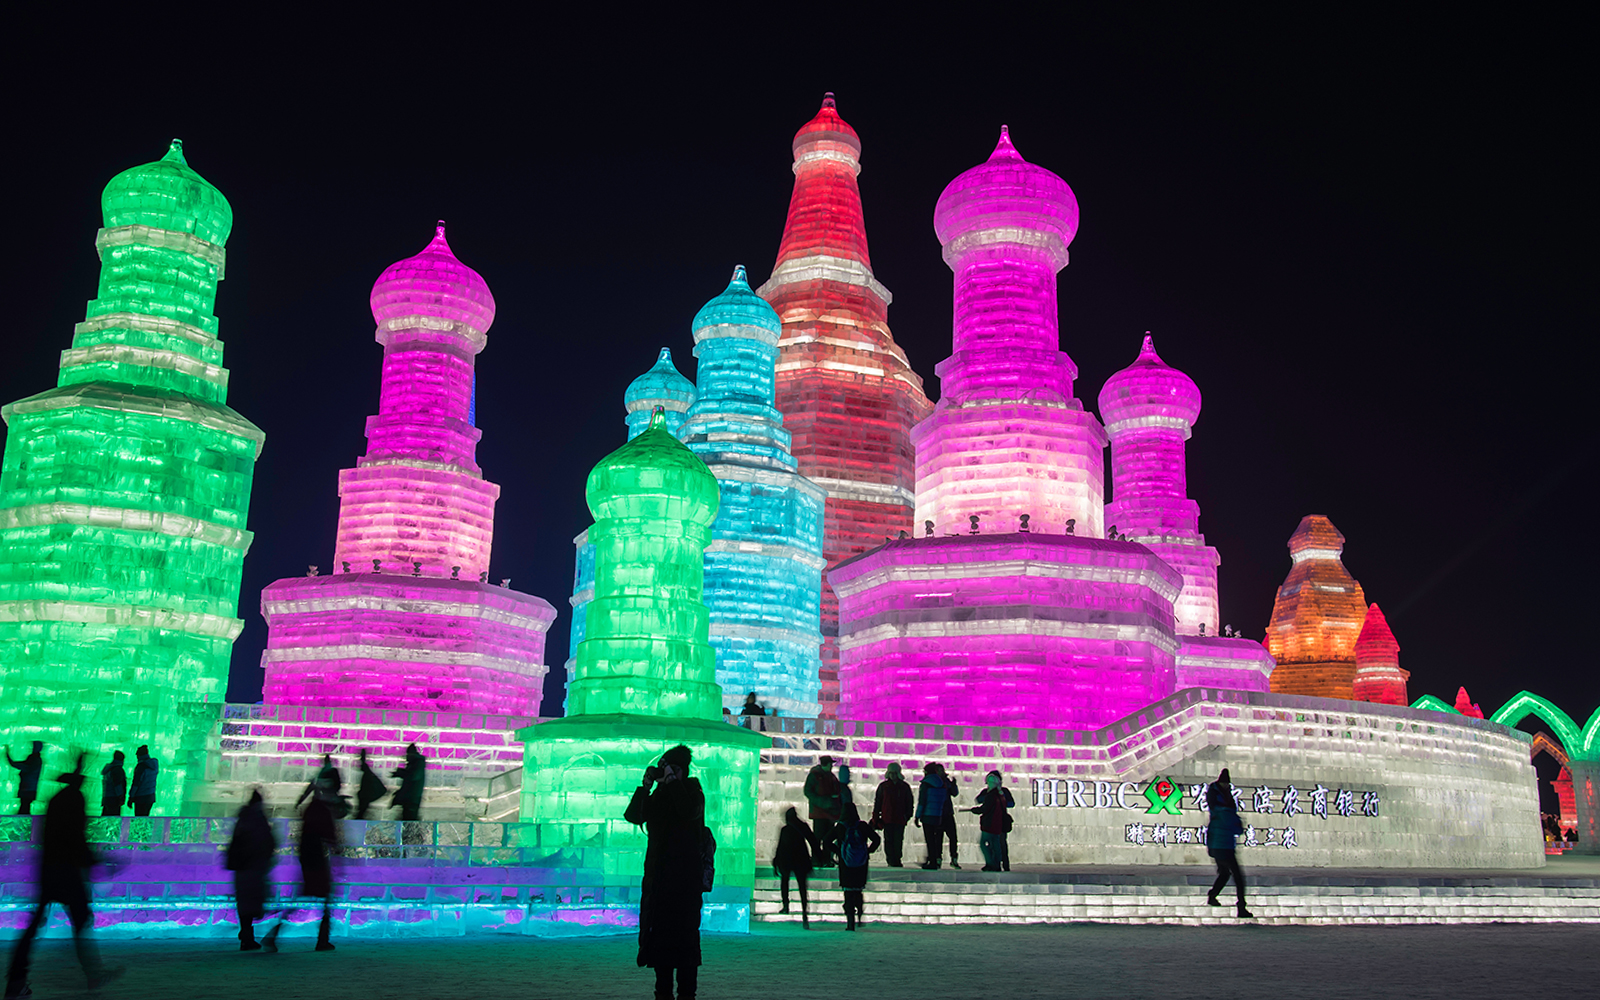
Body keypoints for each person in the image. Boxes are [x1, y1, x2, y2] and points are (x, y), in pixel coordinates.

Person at [5, 756, 121, 997]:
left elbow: (55, 836)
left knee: (35, 926)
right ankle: (93, 974)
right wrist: (98, 862)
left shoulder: (57, 800)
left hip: (50, 870)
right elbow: (76, 838)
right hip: (67, 873)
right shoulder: (75, 799)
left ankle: (16, 979)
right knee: (80, 923)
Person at [624, 745, 707, 1000]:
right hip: (659, 881)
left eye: (675, 768)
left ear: (684, 770)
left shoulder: (693, 791)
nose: (669, 773)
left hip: (684, 883)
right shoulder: (659, 795)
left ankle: (686, 995)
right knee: (660, 951)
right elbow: (633, 816)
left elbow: (688, 812)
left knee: (684, 949)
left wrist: (673, 782)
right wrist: (645, 786)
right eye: (667, 768)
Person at [262, 784, 339, 952]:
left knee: (302, 899)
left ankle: (274, 934)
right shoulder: (321, 810)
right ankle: (322, 939)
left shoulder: (311, 809)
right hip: (317, 860)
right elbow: (331, 837)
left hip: (308, 860)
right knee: (325, 900)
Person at [225, 789, 278, 950]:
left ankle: (246, 935)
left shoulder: (243, 818)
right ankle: (247, 936)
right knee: (252, 901)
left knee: (245, 902)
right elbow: (267, 842)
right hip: (254, 866)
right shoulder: (257, 819)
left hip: (243, 867)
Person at [1205, 768, 1252, 918]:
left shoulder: (1217, 810)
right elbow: (1237, 828)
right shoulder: (1226, 811)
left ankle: (1213, 895)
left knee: (1225, 873)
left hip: (1217, 845)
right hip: (1225, 846)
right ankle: (1241, 907)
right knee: (1238, 877)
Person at [829, 803, 881, 931]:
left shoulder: (840, 827)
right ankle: (859, 915)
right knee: (858, 890)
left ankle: (850, 923)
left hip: (846, 864)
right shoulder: (862, 826)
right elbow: (877, 839)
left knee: (848, 892)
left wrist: (838, 852)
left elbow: (826, 841)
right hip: (861, 864)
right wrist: (868, 851)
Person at [771, 806, 819, 928]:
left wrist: (776, 862)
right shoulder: (802, 827)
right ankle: (804, 913)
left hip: (788, 861)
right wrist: (817, 857)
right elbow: (813, 841)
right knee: (802, 887)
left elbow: (780, 846)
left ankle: (786, 905)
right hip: (800, 860)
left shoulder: (786, 829)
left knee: (785, 882)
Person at [915, 761, 960, 869]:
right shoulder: (942, 784)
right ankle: (936, 859)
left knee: (933, 839)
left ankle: (934, 861)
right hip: (939, 814)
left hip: (931, 814)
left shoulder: (927, 784)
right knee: (938, 838)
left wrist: (917, 816)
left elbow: (922, 801)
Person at [870, 762, 915, 867]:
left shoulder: (904, 787)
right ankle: (890, 860)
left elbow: (909, 802)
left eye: (894, 773)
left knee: (898, 840)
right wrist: (876, 818)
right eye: (891, 773)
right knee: (889, 840)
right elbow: (878, 803)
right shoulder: (884, 786)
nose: (892, 775)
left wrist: (907, 815)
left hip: (899, 819)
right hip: (888, 819)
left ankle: (897, 859)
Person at [803, 755, 842, 867]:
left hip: (830, 813)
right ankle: (817, 859)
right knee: (818, 837)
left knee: (828, 838)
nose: (831, 766)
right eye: (830, 764)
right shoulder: (815, 776)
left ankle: (826, 859)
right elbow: (808, 792)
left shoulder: (831, 777)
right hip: (819, 813)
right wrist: (823, 801)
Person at [971, 769, 1014, 872]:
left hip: (993, 823)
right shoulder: (998, 792)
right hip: (998, 822)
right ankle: (997, 864)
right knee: (998, 844)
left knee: (995, 844)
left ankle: (995, 864)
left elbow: (1011, 803)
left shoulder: (995, 793)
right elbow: (978, 800)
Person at [4, 742, 43, 815]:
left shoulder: (34, 760)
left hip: (28, 789)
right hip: (30, 789)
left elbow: (20, 765)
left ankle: (23, 823)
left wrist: (6, 754)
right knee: (25, 806)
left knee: (24, 807)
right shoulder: (36, 759)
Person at [392, 743, 427, 822]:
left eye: (408, 754)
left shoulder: (418, 763)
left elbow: (413, 776)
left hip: (412, 800)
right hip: (409, 799)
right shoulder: (414, 764)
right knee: (408, 821)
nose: (406, 757)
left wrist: (402, 773)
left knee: (410, 822)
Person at [354, 750, 388, 820]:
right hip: (365, 795)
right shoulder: (368, 774)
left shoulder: (367, 775)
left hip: (365, 795)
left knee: (361, 811)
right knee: (362, 811)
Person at [128, 745, 159, 816]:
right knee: (146, 817)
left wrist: (131, 797)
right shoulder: (154, 765)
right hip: (150, 796)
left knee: (139, 818)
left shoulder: (141, 766)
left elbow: (136, 783)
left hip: (140, 797)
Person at [99, 750, 127, 818]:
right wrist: (120, 797)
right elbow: (117, 785)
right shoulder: (117, 769)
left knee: (105, 818)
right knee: (114, 819)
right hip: (114, 799)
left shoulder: (109, 769)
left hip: (106, 798)